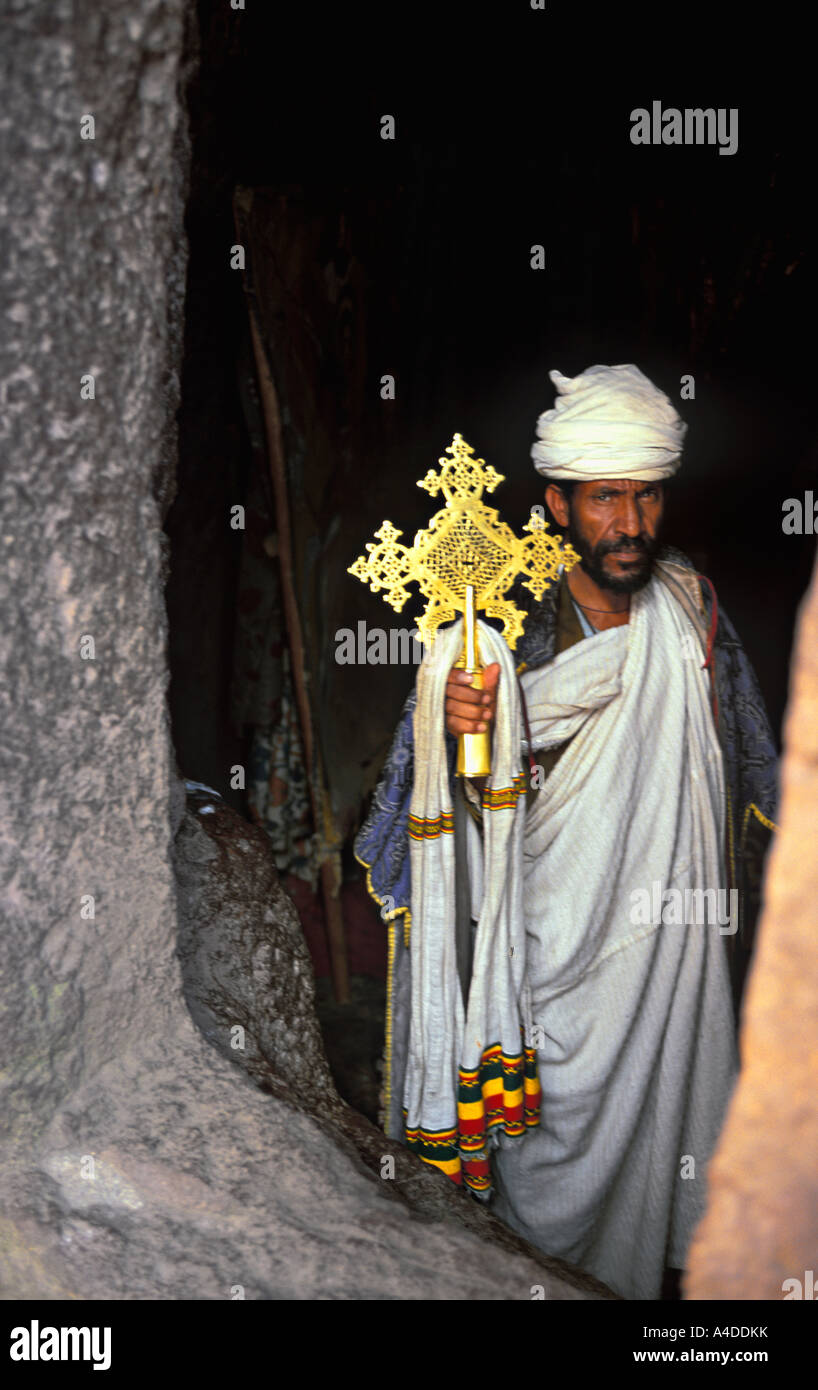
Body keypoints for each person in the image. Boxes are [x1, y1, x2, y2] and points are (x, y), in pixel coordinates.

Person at [354, 364, 778, 1299]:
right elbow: (425, 818)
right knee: (533, 1155)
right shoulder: (501, 624)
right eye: (604, 498)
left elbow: (746, 773)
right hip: (539, 948)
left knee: (657, 1142)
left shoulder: (694, 611)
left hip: (664, 953)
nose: (629, 523)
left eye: (646, 494)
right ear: (556, 503)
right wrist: (455, 734)